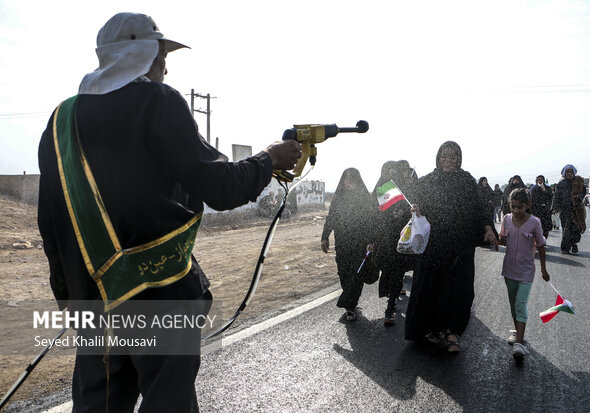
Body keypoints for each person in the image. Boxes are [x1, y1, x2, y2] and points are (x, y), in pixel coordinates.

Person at [37, 12, 301, 412]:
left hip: (94, 300)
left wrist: (71, 300)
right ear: (143, 54)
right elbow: (221, 186)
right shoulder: (158, 102)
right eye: (161, 54)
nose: (165, 64)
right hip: (160, 296)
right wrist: (268, 159)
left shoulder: (61, 120)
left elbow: (50, 225)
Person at [404, 141, 498, 353]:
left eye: (452, 157)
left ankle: (452, 331)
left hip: (460, 247)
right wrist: (415, 208)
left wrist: (488, 228)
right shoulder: (427, 181)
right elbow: (417, 205)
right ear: (438, 158)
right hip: (433, 247)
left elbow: (480, 208)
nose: (447, 160)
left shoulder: (466, 181)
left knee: (459, 290)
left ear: (458, 159)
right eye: (444, 156)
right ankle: (432, 329)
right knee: (431, 288)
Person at [498, 188, 550, 362]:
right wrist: (494, 238)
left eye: (520, 207)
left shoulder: (535, 222)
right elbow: (502, 239)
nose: (516, 211)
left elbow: (541, 246)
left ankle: (519, 343)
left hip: (526, 271)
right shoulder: (506, 219)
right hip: (509, 271)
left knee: (521, 304)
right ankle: (517, 332)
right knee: (513, 304)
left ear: (528, 205)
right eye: (513, 206)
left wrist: (543, 269)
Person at [321, 168, 376, 321]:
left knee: (356, 274)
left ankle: (349, 306)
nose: (349, 182)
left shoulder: (365, 198)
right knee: (344, 273)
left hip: (360, 243)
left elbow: (371, 220)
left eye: (353, 179)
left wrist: (371, 241)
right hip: (342, 243)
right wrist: (325, 237)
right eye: (347, 179)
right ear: (343, 181)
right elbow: (331, 217)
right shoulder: (338, 198)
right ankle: (349, 299)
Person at [373, 161, 416, 325]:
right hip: (386, 238)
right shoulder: (385, 187)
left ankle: (390, 309)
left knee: (398, 271)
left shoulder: (410, 186)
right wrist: (391, 214)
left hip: (405, 236)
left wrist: (406, 212)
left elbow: (417, 205)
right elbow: (376, 211)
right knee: (391, 270)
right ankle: (391, 302)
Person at [552, 165, 586, 254]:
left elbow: (583, 192)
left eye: (571, 172)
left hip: (576, 210)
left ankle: (573, 243)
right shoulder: (561, 184)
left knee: (576, 228)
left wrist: (579, 196)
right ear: (564, 173)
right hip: (564, 210)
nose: (569, 173)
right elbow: (556, 196)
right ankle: (565, 248)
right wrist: (555, 208)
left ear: (573, 172)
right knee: (566, 229)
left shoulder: (578, 182)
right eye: (567, 172)